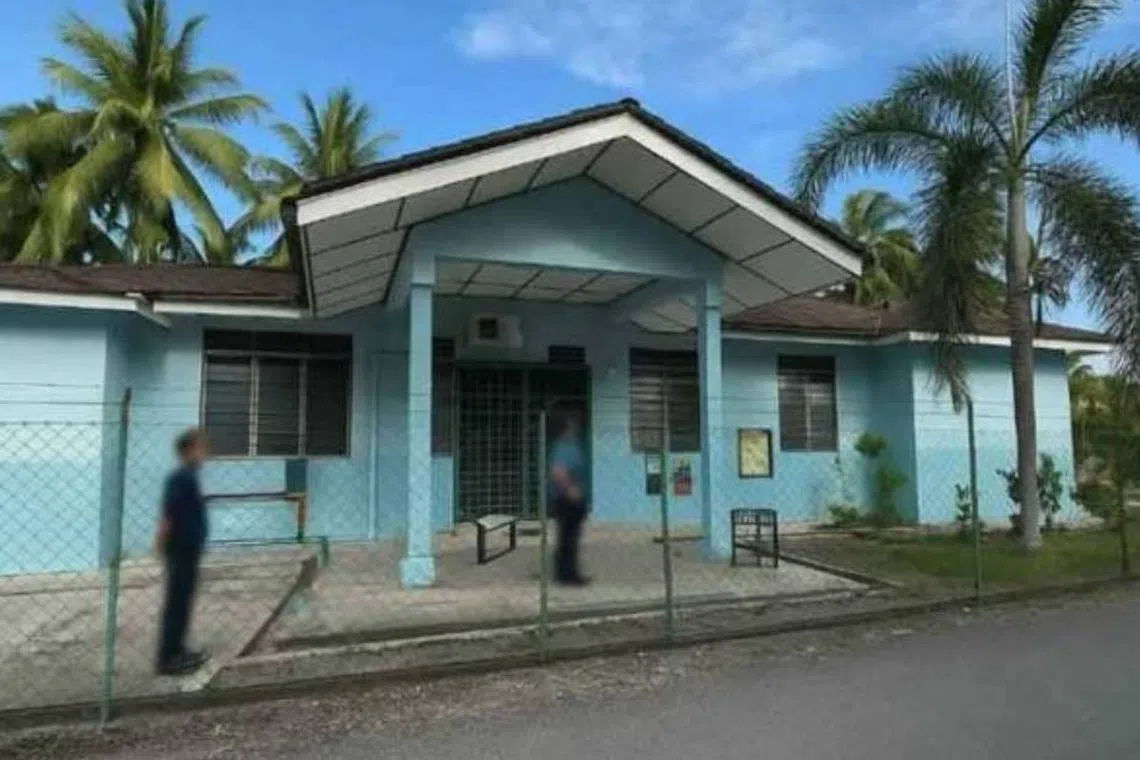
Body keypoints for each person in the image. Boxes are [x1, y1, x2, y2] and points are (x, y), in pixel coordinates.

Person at [154, 428, 211, 675]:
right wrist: (161, 544)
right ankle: (167, 658)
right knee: (176, 603)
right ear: (188, 451)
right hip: (180, 551)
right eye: (200, 448)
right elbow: (168, 516)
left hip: (190, 550)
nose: (204, 453)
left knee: (184, 602)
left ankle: (178, 649)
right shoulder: (179, 479)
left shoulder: (190, 477)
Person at [548, 411, 590, 585]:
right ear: (567, 427)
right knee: (567, 538)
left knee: (570, 538)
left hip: (572, 499)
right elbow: (558, 471)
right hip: (566, 500)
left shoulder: (572, 445)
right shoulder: (564, 446)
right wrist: (570, 489)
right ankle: (567, 575)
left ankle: (568, 573)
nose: (577, 428)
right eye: (574, 424)